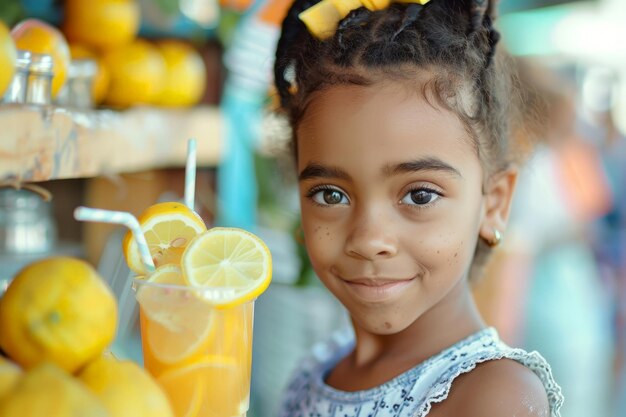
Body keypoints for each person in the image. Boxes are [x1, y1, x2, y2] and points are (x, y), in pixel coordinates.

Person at [272, 0, 564, 415]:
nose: (370, 239)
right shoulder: (315, 370)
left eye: (419, 195)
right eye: (331, 195)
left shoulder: (491, 395)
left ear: (494, 202)